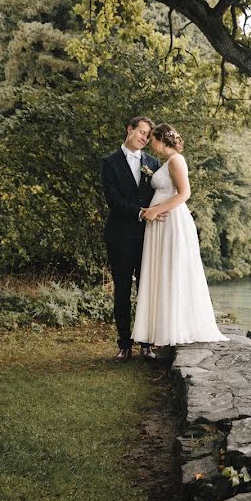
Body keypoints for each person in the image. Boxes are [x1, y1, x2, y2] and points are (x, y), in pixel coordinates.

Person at [132, 123, 228, 346]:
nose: (150, 144)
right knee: (162, 270)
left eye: (153, 139)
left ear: (162, 139)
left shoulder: (176, 160)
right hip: (160, 223)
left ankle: (175, 328)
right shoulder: (167, 162)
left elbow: (184, 194)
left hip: (171, 221)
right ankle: (161, 329)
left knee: (172, 269)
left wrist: (155, 210)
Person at [101, 116, 163, 361]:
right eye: (141, 132)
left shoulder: (153, 162)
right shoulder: (110, 162)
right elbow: (113, 199)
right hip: (119, 234)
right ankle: (124, 344)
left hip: (148, 236)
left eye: (148, 135)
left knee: (146, 290)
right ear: (129, 130)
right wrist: (139, 213)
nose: (144, 138)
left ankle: (146, 345)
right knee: (123, 290)